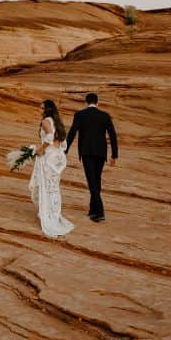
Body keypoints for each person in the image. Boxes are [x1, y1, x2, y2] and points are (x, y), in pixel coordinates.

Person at [65, 93, 118, 222]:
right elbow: (112, 135)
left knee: (92, 181)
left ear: (86, 102)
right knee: (96, 180)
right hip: (101, 152)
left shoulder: (80, 115)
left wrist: (65, 149)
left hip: (87, 151)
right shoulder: (105, 115)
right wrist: (114, 155)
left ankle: (99, 212)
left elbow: (72, 131)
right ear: (97, 102)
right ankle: (92, 210)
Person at [28, 99, 74, 239]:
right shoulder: (57, 121)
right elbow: (62, 142)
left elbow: (49, 137)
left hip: (48, 159)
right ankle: (54, 214)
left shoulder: (45, 121)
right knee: (54, 187)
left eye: (41, 107)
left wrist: (40, 150)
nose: (39, 109)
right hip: (57, 157)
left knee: (46, 187)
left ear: (47, 109)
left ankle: (49, 215)